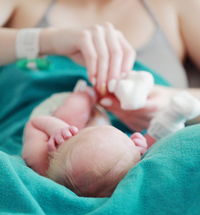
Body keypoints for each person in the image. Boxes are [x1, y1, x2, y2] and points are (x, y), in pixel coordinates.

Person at [1, 0, 200, 132]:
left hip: (148, 163)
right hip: (22, 162)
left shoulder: (179, 5)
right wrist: (46, 41)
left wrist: (174, 103)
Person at [22, 84, 147, 197]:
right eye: (131, 141)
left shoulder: (39, 160)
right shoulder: (102, 184)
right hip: (95, 126)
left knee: (71, 117)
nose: (134, 137)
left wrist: (57, 129)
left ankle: (86, 94)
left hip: (52, 115)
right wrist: (138, 151)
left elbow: (34, 123)